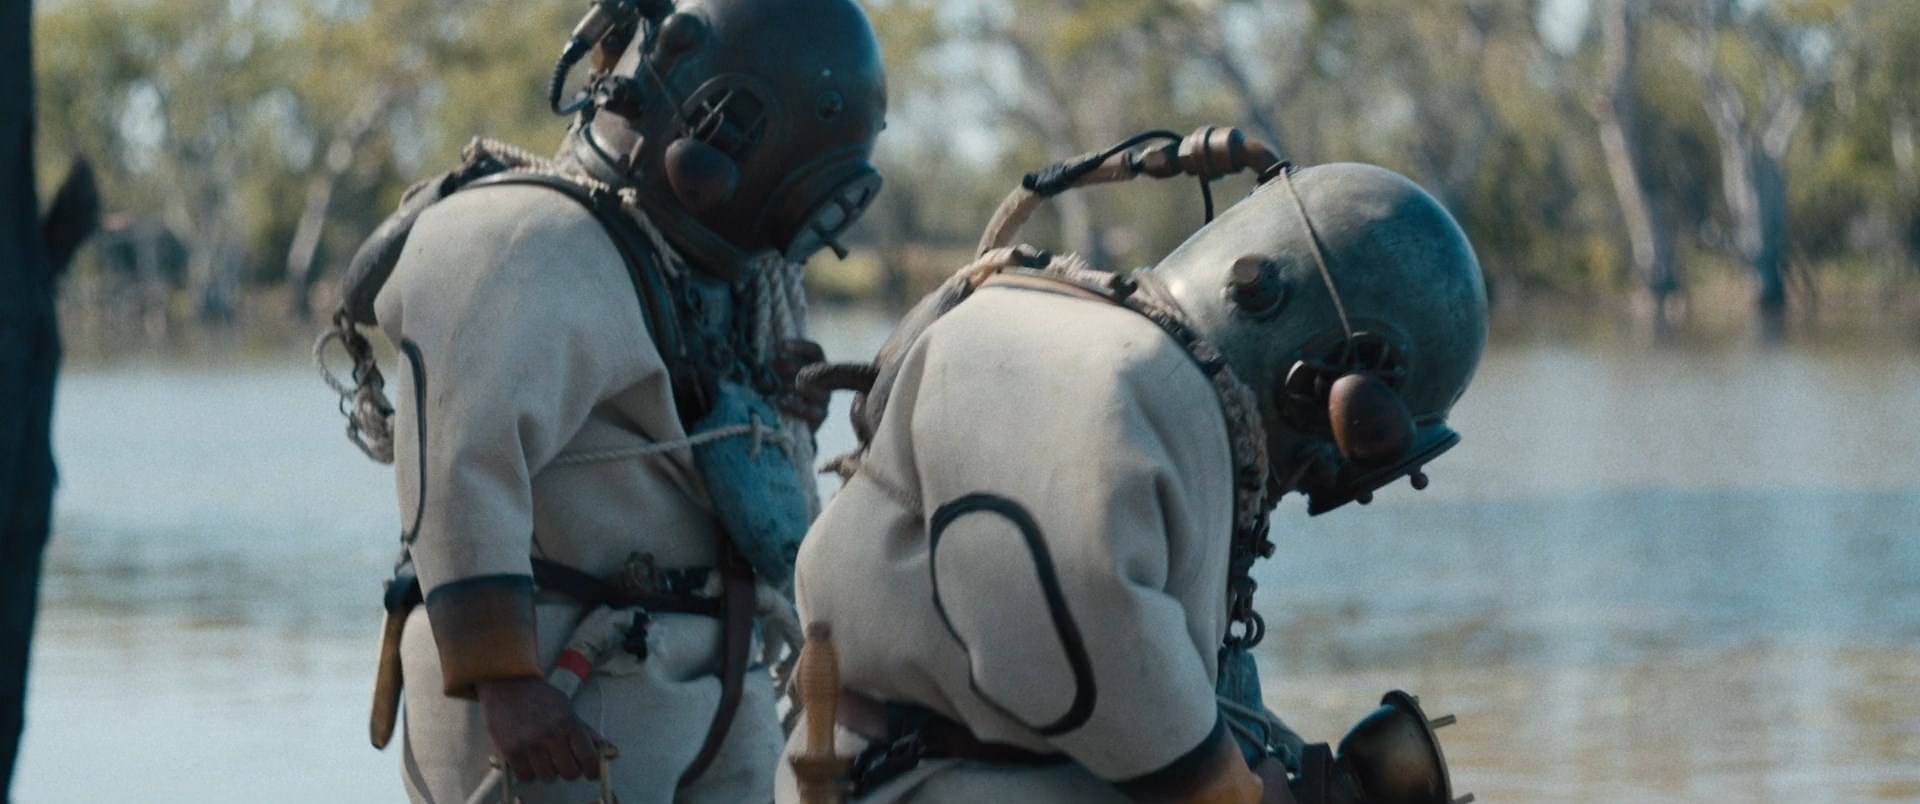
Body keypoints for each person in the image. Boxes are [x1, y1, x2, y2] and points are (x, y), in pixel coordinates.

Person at [776, 153, 1488, 803]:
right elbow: (1082, 638)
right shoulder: (1091, 370)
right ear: (1336, 373)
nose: (1311, 477)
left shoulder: (1157, 387)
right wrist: (1241, 791)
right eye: (1345, 451)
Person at [319, 1, 887, 801]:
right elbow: (457, 462)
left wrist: (771, 408)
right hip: (560, 690)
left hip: (713, 676)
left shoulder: (713, 268)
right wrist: (505, 680)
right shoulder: (521, 239)